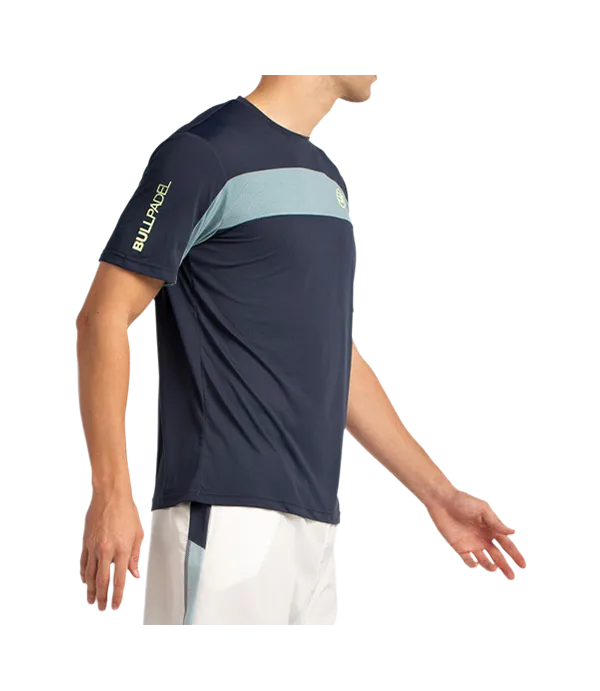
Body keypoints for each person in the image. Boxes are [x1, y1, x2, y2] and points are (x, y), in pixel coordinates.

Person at [75, 72, 527, 631]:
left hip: (313, 523)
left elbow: (331, 355)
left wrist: (439, 495)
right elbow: (103, 315)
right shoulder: (202, 155)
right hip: (226, 512)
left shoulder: (325, 177)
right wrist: (110, 492)